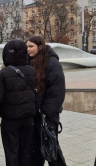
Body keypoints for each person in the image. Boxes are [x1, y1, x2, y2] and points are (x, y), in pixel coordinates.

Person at [0, 39, 36, 166]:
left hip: (10, 120)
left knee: (11, 152)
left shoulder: (4, 73)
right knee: (26, 151)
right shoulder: (32, 70)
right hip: (28, 119)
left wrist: (3, 109)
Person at [26, 36, 67, 166]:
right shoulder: (31, 62)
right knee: (37, 149)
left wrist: (45, 110)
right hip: (36, 114)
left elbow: (57, 91)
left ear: (40, 46)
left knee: (51, 148)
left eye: (31, 46)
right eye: (27, 47)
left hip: (48, 116)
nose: (28, 49)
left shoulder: (52, 63)